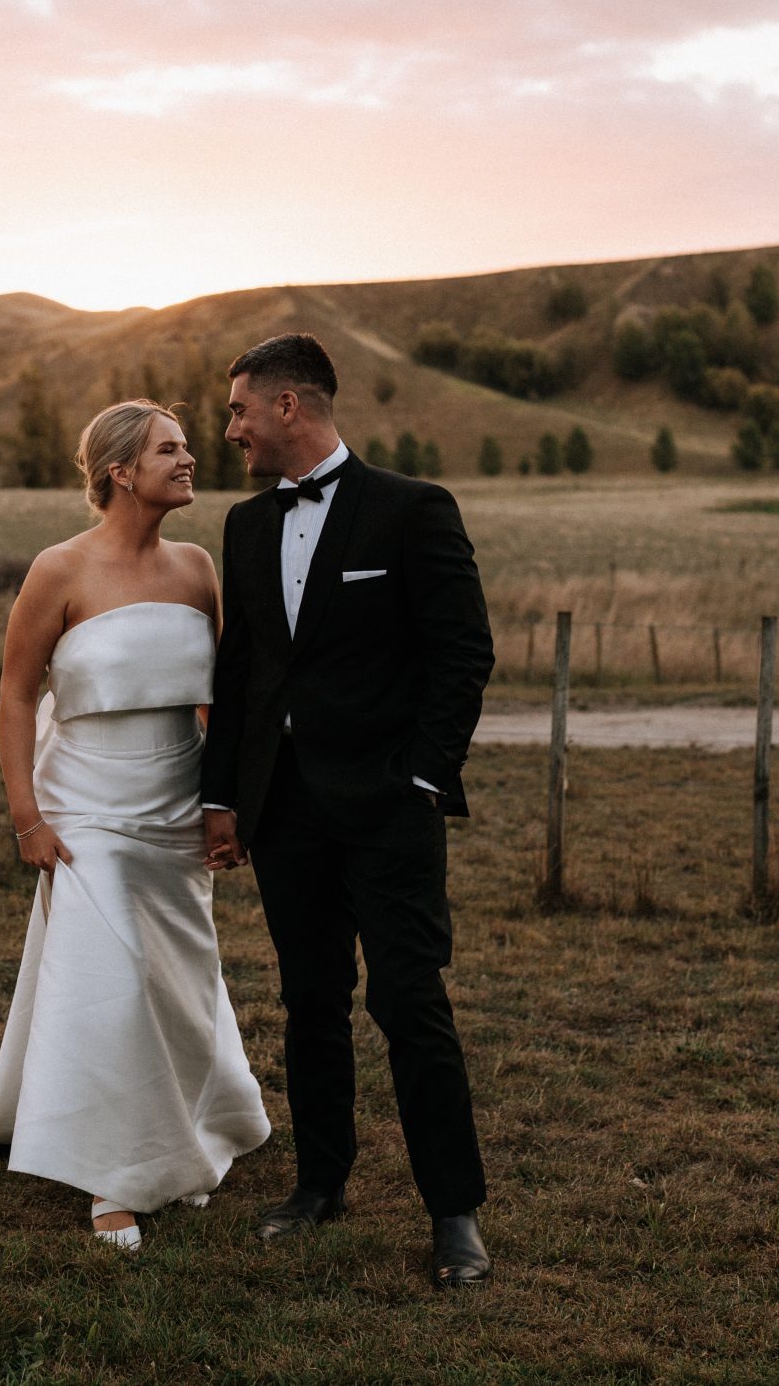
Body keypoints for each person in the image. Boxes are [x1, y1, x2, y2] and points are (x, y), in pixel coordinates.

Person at [0, 400, 269, 1250]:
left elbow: (213, 701)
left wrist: (224, 804)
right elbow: (14, 697)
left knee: (176, 974)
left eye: (188, 446)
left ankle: (205, 1108)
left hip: (178, 803)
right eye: (170, 448)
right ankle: (118, 1175)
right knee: (110, 981)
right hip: (86, 808)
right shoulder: (59, 570)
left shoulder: (197, 567)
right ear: (120, 469)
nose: (191, 458)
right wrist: (25, 819)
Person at [200, 333, 498, 1289]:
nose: (231, 428)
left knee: (410, 1002)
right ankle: (320, 1183)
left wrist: (422, 777)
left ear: (291, 407)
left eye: (240, 408)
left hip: (388, 807)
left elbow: (464, 654)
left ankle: (454, 1213)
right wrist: (225, 797)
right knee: (310, 1000)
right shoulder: (244, 527)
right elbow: (239, 672)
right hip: (285, 812)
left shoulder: (413, 510)